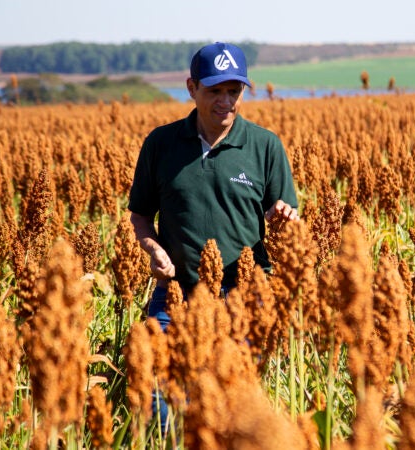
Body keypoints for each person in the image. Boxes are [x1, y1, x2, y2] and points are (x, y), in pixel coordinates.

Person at [127, 42, 298, 432]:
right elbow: (139, 215)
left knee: (235, 403)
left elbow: (289, 218)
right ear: (191, 87)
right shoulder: (161, 144)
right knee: (157, 392)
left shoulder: (264, 146)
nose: (226, 101)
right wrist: (152, 247)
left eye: (234, 91)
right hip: (177, 294)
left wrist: (285, 221)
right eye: (215, 91)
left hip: (242, 297)